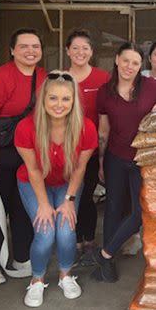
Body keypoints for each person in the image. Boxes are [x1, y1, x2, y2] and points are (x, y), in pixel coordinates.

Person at [0, 28, 46, 287]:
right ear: (12, 50)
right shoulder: (0, 77)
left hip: (23, 152)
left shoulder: (43, 77)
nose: (30, 51)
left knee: (22, 206)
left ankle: (22, 258)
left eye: (35, 46)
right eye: (24, 46)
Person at [15, 71, 97, 307]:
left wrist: (69, 200)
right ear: (43, 99)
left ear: (74, 102)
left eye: (65, 99)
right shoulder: (26, 127)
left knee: (65, 229)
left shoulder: (86, 128)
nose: (59, 105)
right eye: (53, 98)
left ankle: (65, 275)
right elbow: (33, 170)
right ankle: (37, 280)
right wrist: (43, 204)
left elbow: (80, 168)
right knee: (45, 231)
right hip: (33, 182)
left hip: (67, 183)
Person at [94, 42, 156, 282]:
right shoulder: (104, 92)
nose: (130, 66)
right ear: (117, 59)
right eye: (126, 60)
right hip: (115, 157)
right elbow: (104, 129)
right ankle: (107, 262)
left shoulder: (151, 87)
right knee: (113, 208)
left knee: (141, 212)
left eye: (136, 63)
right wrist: (100, 161)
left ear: (142, 66)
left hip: (143, 159)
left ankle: (105, 253)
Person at [65, 30, 110, 265]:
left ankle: (88, 241)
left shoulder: (102, 78)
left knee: (86, 193)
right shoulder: (60, 78)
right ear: (67, 51)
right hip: (64, 149)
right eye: (75, 48)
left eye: (85, 48)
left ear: (92, 52)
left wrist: (102, 154)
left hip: (91, 149)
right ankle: (72, 242)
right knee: (70, 195)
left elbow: (106, 116)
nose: (80, 52)